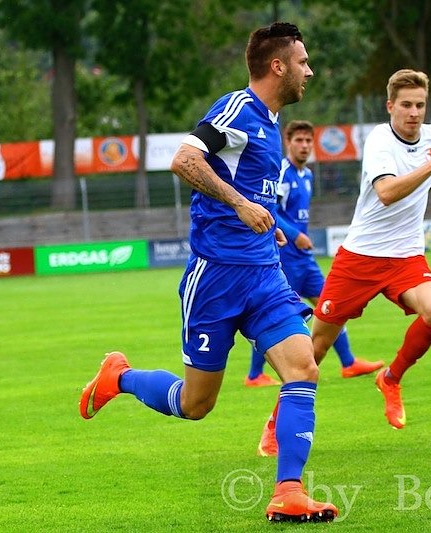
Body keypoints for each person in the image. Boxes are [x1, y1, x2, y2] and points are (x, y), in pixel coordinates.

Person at [78, 22, 338, 523]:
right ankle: (121, 376)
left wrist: (268, 226)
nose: (310, 71)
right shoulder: (238, 108)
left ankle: (288, 490)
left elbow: (250, 189)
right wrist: (241, 205)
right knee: (196, 405)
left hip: (263, 275)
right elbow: (184, 159)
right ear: (277, 65)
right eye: (303, 62)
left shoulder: (270, 125)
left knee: (303, 366)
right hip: (215, 279)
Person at [258, 69, 431, 443]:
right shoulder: (379, 140)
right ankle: (276, 422)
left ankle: (390, 379)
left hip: (406, 257)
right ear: (390, 106)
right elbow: (388, 192)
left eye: (420, 105)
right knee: (315, 350)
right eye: (406, 105)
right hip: (359, 258)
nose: (414, 113)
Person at [244, 120, 384, 388]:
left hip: (304, 259)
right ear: (288, 142)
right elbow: (269, 210)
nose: (305, 146)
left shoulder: (307, 175)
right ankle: (254, 375)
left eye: (309, 141)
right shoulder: (282, 173)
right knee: (275, 312)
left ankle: (348, 363)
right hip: (285, 255)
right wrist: (295, 235)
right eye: (299, 140)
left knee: (332, 305)